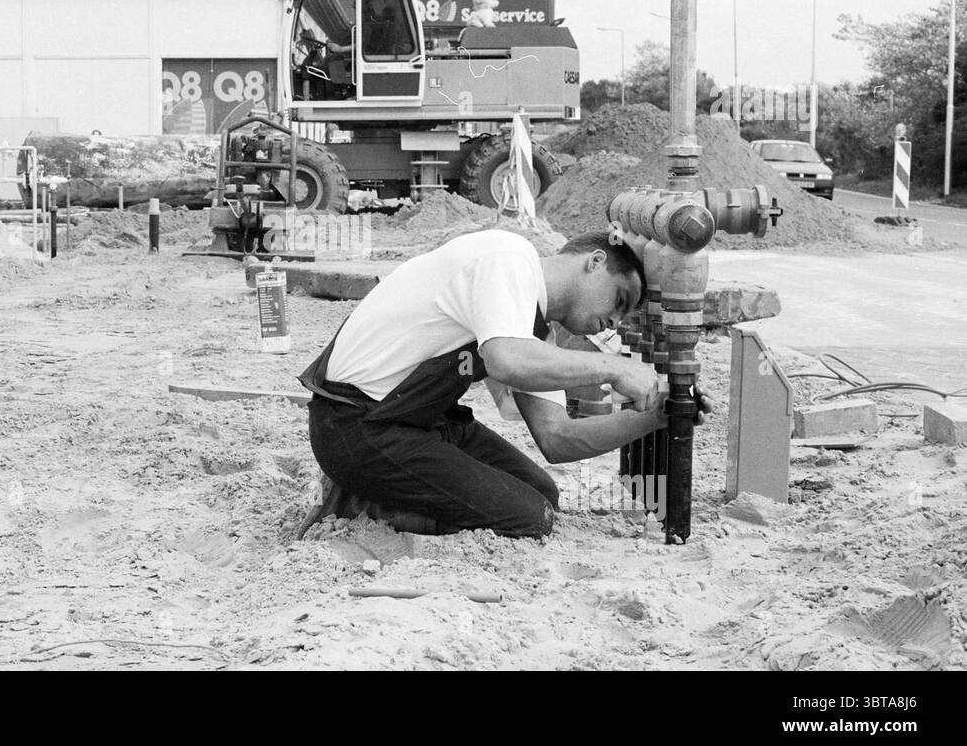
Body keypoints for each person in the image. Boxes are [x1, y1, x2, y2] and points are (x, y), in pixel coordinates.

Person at [299, 229, 709, 539]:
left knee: (543, 493)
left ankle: (388, 488)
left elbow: (559, 439)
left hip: (415, 422)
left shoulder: (532, 329)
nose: (615, 322)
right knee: (529, 518)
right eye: (619, 301)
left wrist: (659, 417)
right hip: (357, 428)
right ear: (595, 261)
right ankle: (366, 501)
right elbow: (505, 358)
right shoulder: (507, 260)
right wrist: (613, 368)